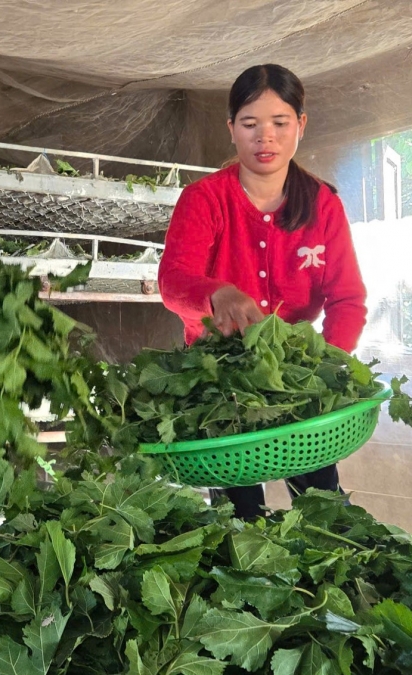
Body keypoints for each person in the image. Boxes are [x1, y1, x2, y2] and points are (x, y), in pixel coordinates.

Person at [157, 63, 368, 520]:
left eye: (279, 123)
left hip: (295, 376)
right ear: (231, 129)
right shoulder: (204, 200)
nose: (264, 137)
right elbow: (173, 283)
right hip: (220, 377)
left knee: (323, 515)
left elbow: (347, 298)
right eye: (250, 124)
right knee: (238, 521)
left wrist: (326, 364)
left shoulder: (322, 205)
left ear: (301, 126)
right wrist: (217, 294)